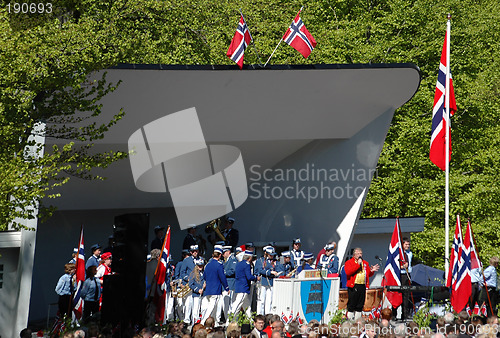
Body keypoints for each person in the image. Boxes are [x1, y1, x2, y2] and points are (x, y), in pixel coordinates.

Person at [344, 247, 380, 320]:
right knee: (352, 304)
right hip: (354, 286)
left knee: (360, 305)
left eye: (360, 253)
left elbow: (368, 274)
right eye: (358, 254)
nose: (359, 255)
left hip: (362, 286)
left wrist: (371, 270)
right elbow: (348, 272)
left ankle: (358, 321)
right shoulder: (349, 262)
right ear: (354, 255)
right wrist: (358, 264)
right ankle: (350, 321)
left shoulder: (365, 263)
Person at [200, 247, 229, 325]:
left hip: (208, 289)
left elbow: (204, 277)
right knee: (211, 308)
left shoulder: (207, 265)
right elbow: (222, 277)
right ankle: (202, 322)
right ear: (219, 255)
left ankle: (214, 324)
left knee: (214, 308)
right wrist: (226, 288)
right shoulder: (219, 265)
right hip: (215, 289)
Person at [229, 250, 260, 320]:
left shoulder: (239, 264)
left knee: (247, 306)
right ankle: (230, 320)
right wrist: (256, 278)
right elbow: (249, 277)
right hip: (243, 287)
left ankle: (251, 321)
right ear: (249, 258)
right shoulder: (247, 264)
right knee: (237, 304)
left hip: (239, 286)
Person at [254, 247, 280, 315]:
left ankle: (268, 316)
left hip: (270, 283)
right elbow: (259, 271)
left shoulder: (274, 261)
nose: (272, 256)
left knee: (269, 300)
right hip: (263, 283)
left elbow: (277, 269)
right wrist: (270, 272)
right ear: (266, 253)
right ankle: (260, 316)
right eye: (270, 255)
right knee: (261, 301)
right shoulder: (261, 260)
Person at [181, 245, 199, 324]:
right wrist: (187, 278)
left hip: (197, 284)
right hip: (189, 284)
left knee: (197, 303)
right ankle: (187, 320)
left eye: (196, 251)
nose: (195, 252)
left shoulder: (200, 259)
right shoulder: (186, 260)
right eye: (193, 251)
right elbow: (182, 272)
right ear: (190, 252)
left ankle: (195, 319)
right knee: (188, 303)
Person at [189, 258, 206, 325]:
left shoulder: (204, 273)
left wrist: (205, 286)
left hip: (203, 294)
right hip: (196, 295)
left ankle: (202, 323)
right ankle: (194, 323)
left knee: (204, 308)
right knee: (195, 310)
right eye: (199, 266)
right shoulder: (193, 274)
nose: (200, 267)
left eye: (201, 266)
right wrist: (197, 290)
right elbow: (191, 284)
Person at [399, 237, 413, 320]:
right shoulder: (400, 253)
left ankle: (405, 314)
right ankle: (395, 313)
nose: (407, 246)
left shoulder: (410, 253)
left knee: (406, 295)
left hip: (408, 274)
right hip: (401, 274)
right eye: (406, 244)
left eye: (408, 244)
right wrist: (402, 266)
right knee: (399, 294)